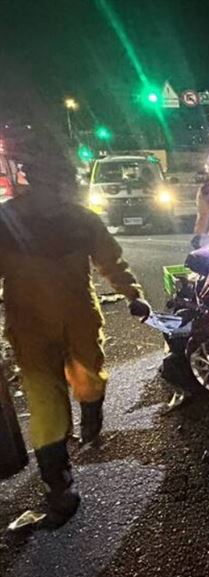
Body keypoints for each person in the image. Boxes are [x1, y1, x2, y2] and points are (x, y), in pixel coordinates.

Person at [0, 132, 151, 527]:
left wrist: (132, 293)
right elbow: (111, 262)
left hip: (57, 323)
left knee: (69, 389)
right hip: (49, 325)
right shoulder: (20, 220)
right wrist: (131, 293)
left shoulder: (68, 220)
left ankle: (78, 441)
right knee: (63, 393)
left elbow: (111, 261)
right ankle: (68, 464)